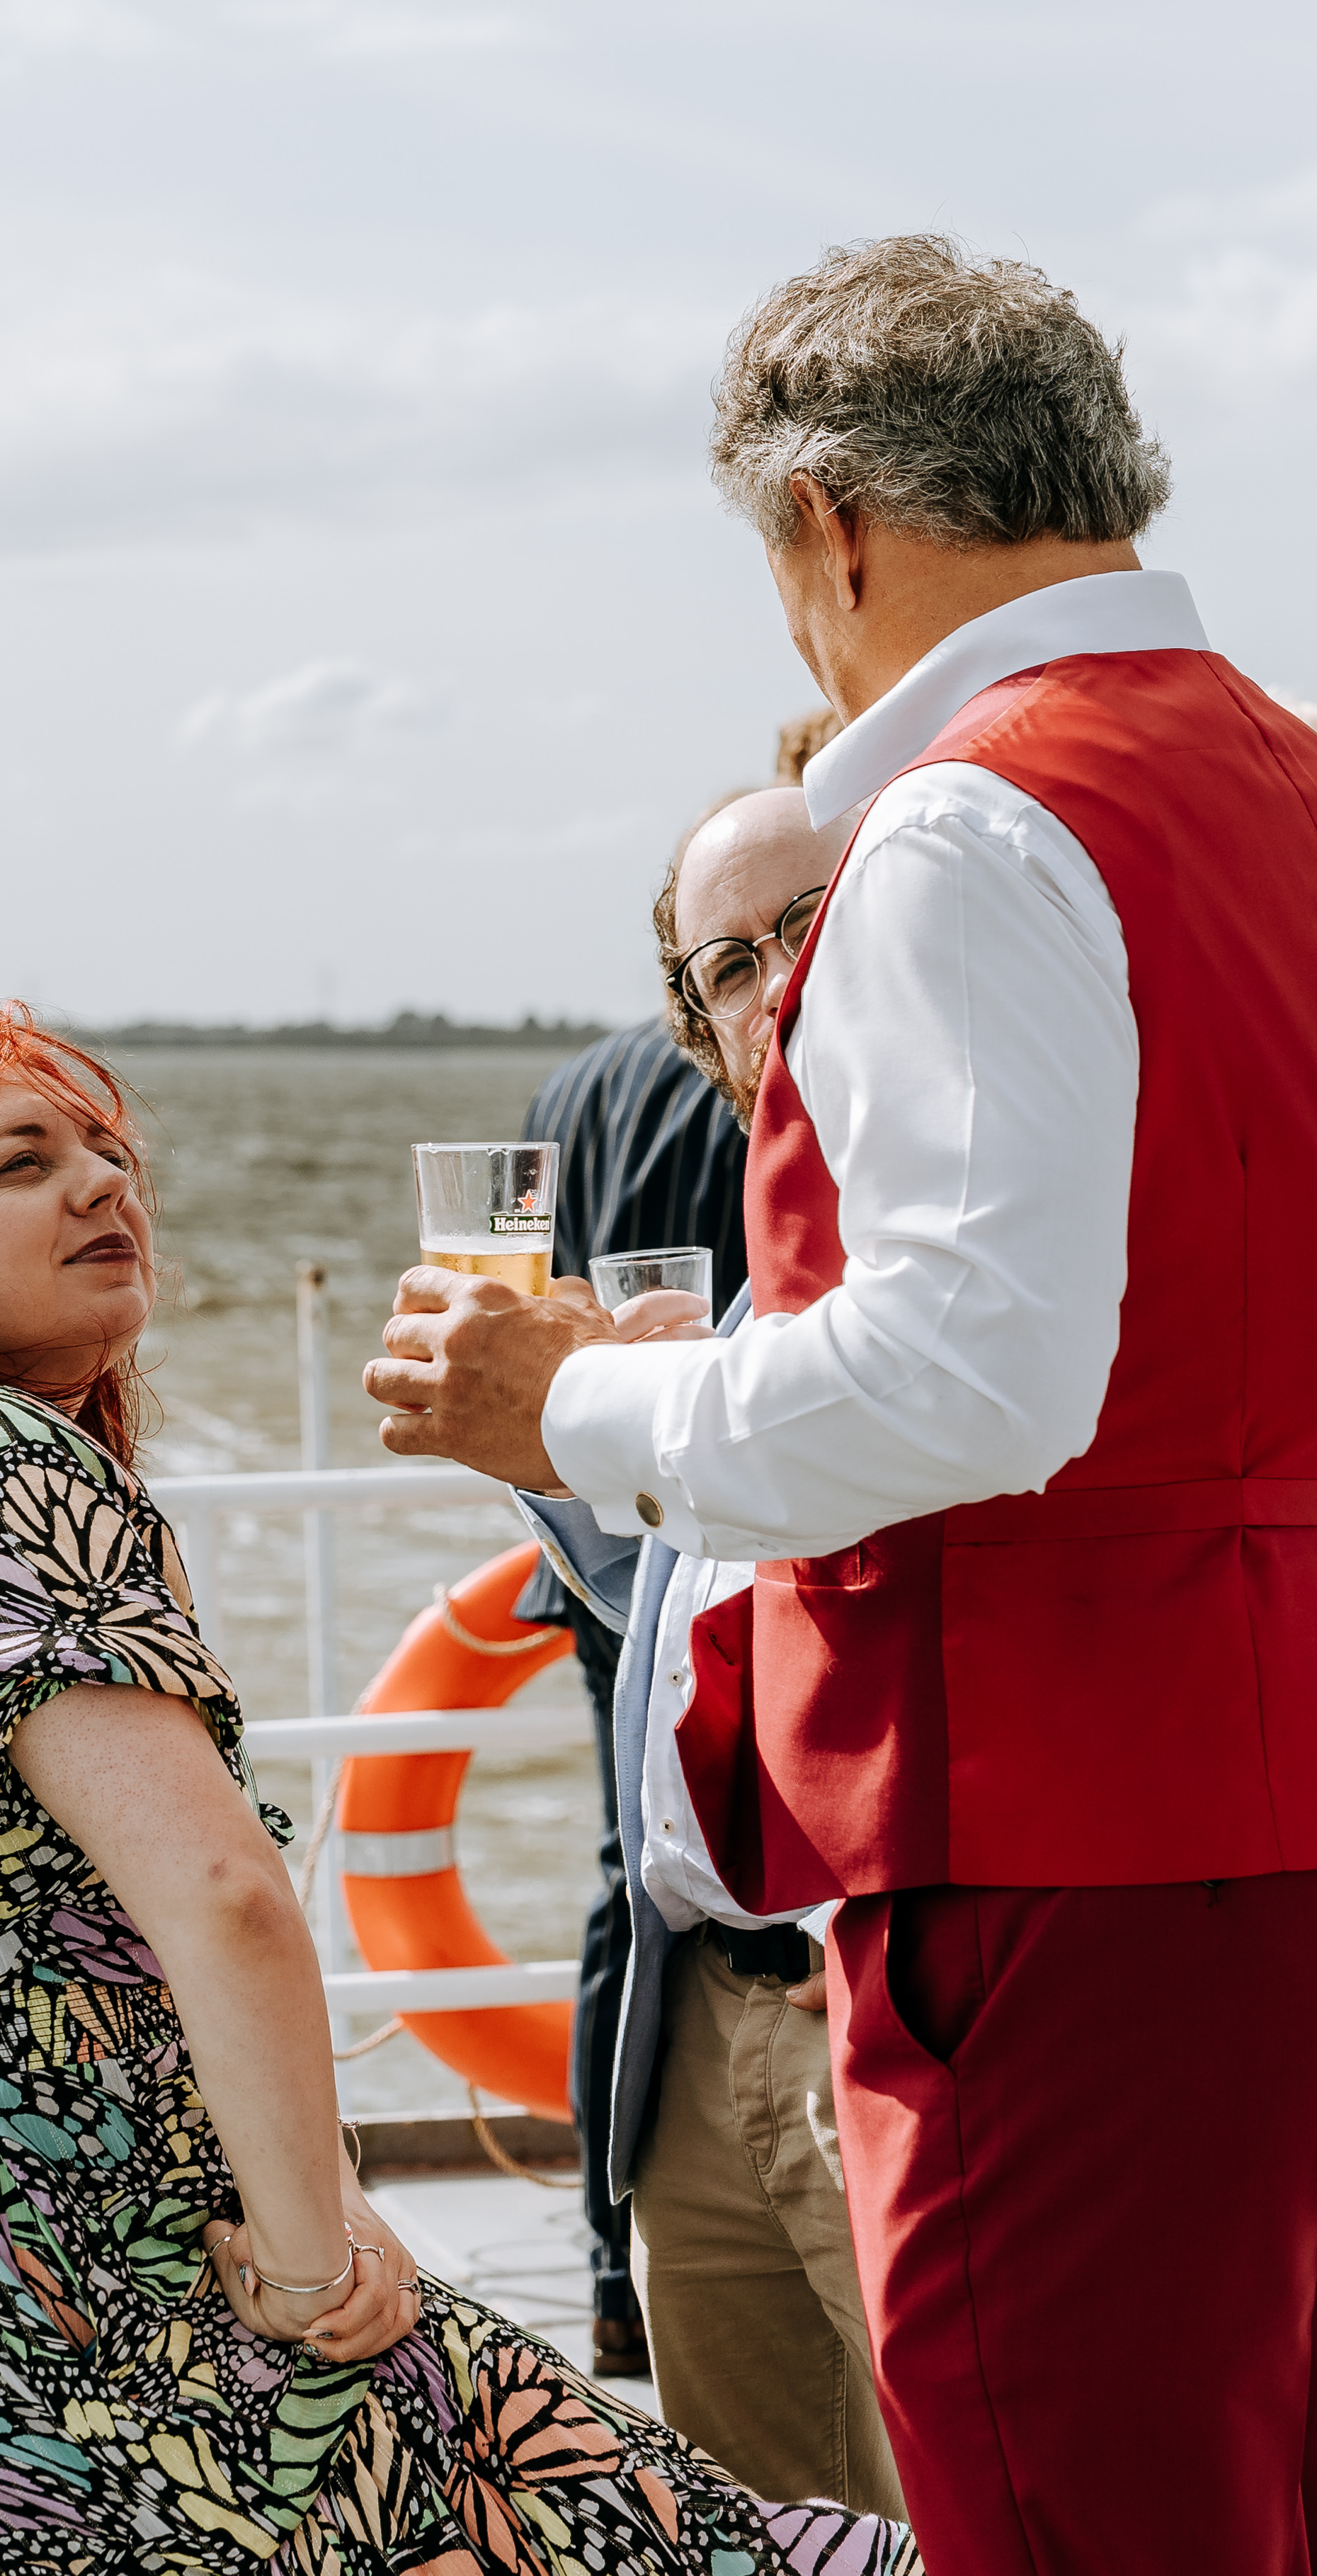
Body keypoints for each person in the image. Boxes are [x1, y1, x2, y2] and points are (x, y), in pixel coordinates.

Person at [370, 237, 1317, 2572]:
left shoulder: (966, 820)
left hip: (1079, 1840)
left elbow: (966, 1375)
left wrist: (574, 1395)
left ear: (827, 525)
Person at [0, 1008, 916, 2576]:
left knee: (568, 2462)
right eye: (21, 1163)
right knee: (608, 2505)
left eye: (108, 1152)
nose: (100, 1184)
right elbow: (225, 1901)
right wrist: (315, 2265)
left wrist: (315, 2225)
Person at [514, 785, 902, 2514]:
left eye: (808, 925)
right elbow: (686, 1611)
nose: (775, 986)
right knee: (752, 2530)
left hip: (876, 2012)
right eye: (727, 966)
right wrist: (548, 1436)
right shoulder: (755, 1289)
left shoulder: (964, 1268)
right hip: (695, 2023)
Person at [512, 799, 758, 2380]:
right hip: (718, 1511)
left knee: (628, 1877)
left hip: (595, 1527)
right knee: (694, 1863)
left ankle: (616, 2257)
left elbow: (530, 1303)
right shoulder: (779, 1099)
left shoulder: (566, 1093)